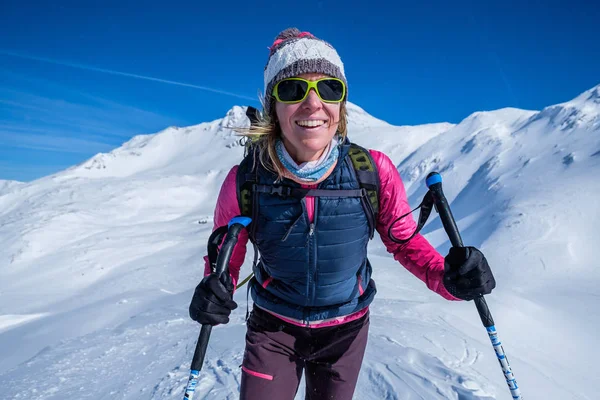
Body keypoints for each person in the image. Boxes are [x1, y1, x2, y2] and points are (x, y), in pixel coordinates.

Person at [188, 27, 496, 400]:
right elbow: (225, 257)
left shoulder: (372, 171)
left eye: (329, 88)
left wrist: (450, 280)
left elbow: (404, 243)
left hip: (345, 334)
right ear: (274, 106)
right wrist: (213, 290)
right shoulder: (246, 179)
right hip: (273, 329)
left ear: (342, 103)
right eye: (293, 89)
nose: (313, 103)